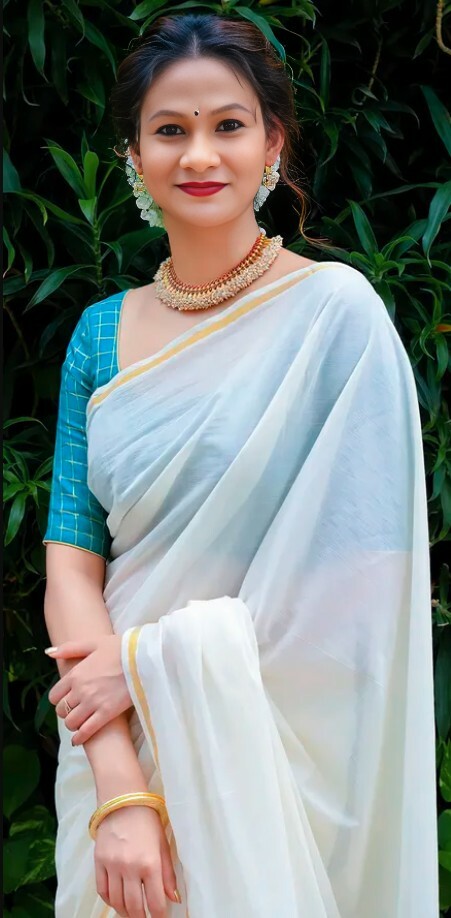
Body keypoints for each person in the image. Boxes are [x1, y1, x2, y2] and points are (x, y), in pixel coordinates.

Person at [43, 12, 438, 918]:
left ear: (273, 144)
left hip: (282, 751)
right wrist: (121, 791)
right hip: (112, 740)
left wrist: (145, 663)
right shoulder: (98, 335)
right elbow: (71, 562)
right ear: (133, 156)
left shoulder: (335, 317)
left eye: (228, 125)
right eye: (168, 130)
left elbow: (363, 581)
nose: (199, 155)